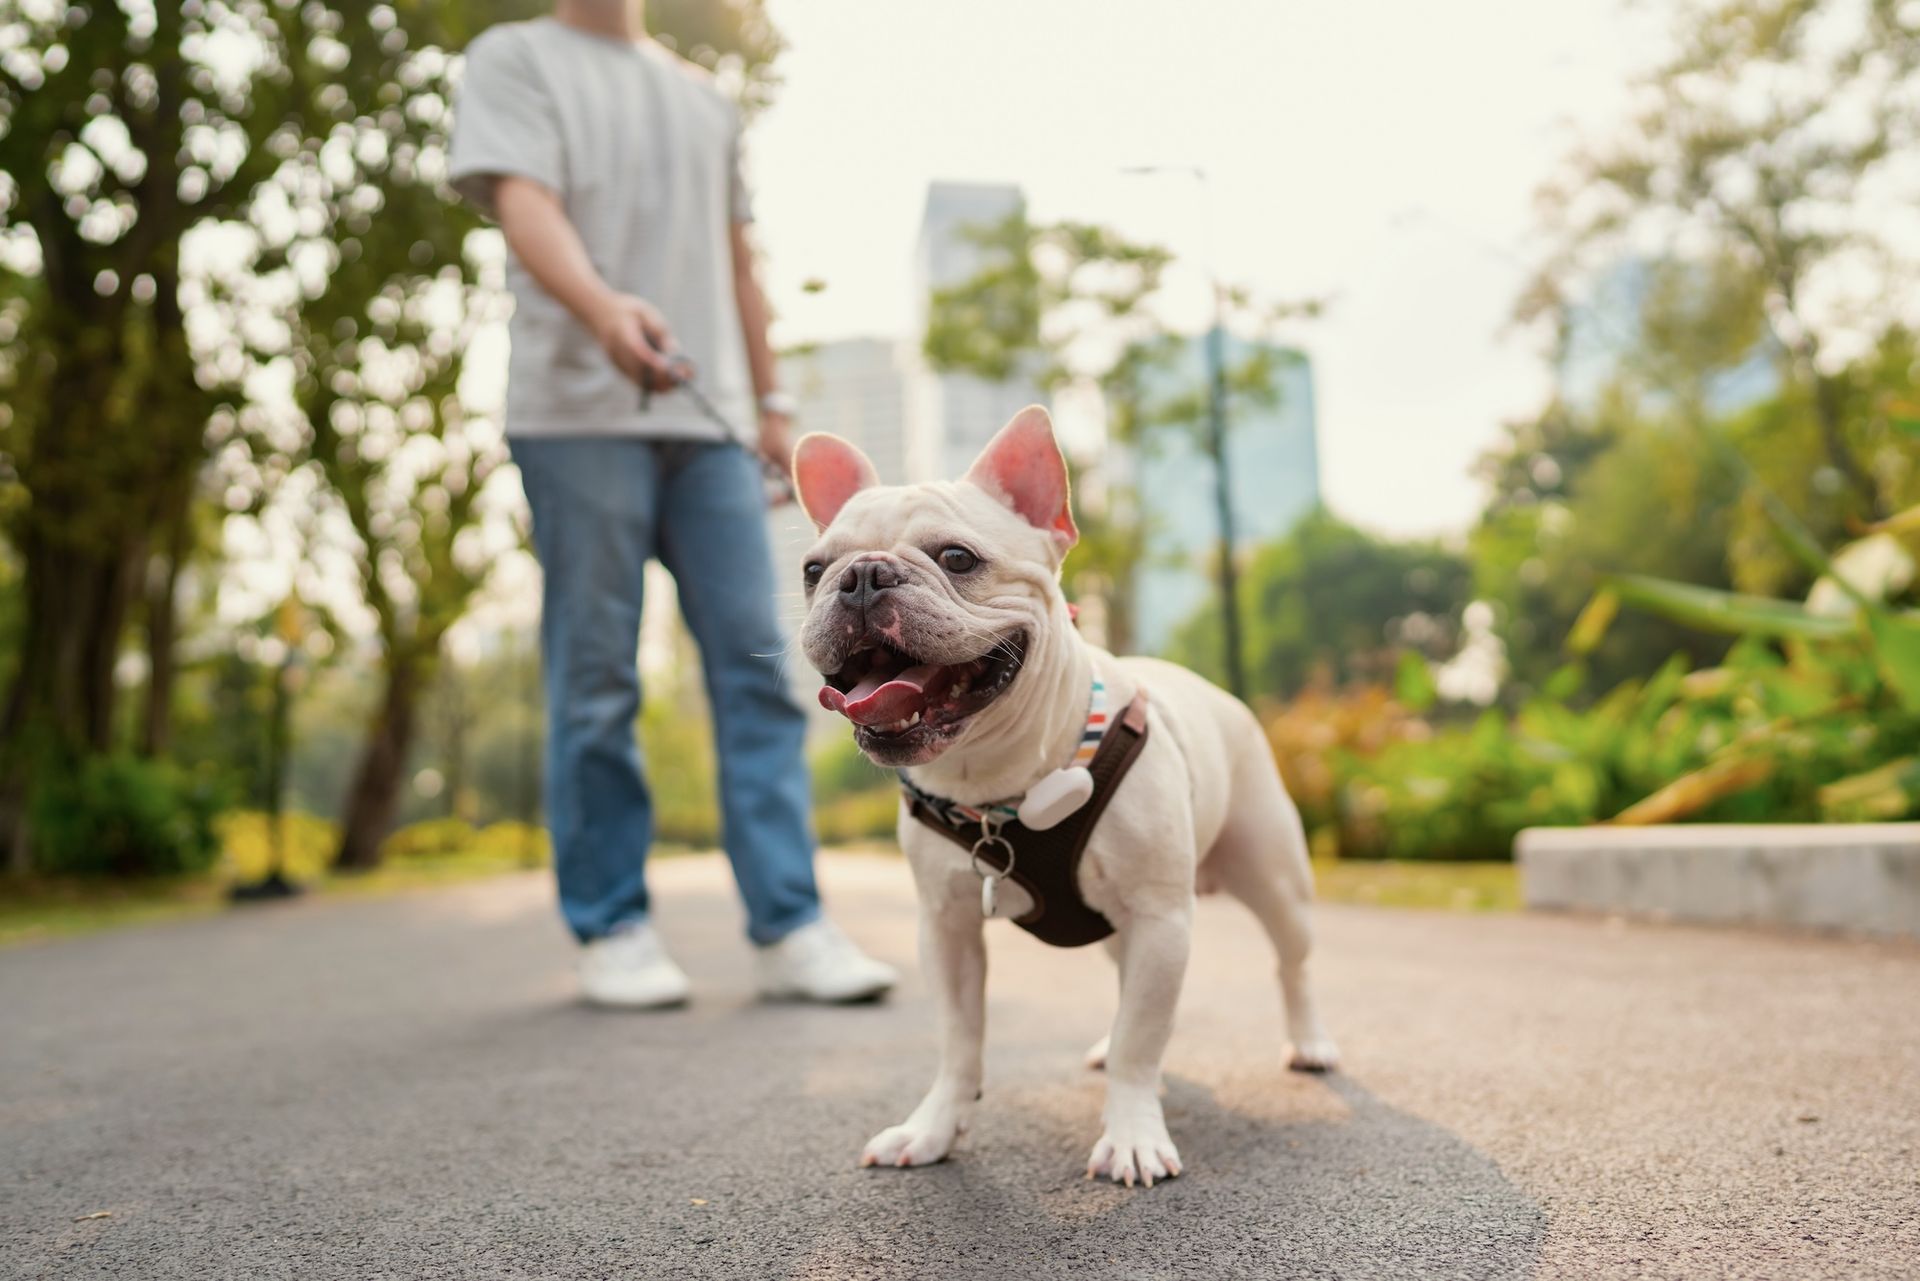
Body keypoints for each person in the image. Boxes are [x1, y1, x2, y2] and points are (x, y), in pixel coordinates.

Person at [447, 0, 894, 1007]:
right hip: (574, 418)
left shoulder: (706, 99)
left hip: (713, 428)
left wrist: (774, 405)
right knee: (597, 674)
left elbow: (740, 260)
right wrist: (605, 309)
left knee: (760, 668)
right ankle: (612, 926)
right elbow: (524, 203)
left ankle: (792, 924)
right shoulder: (513, 58)